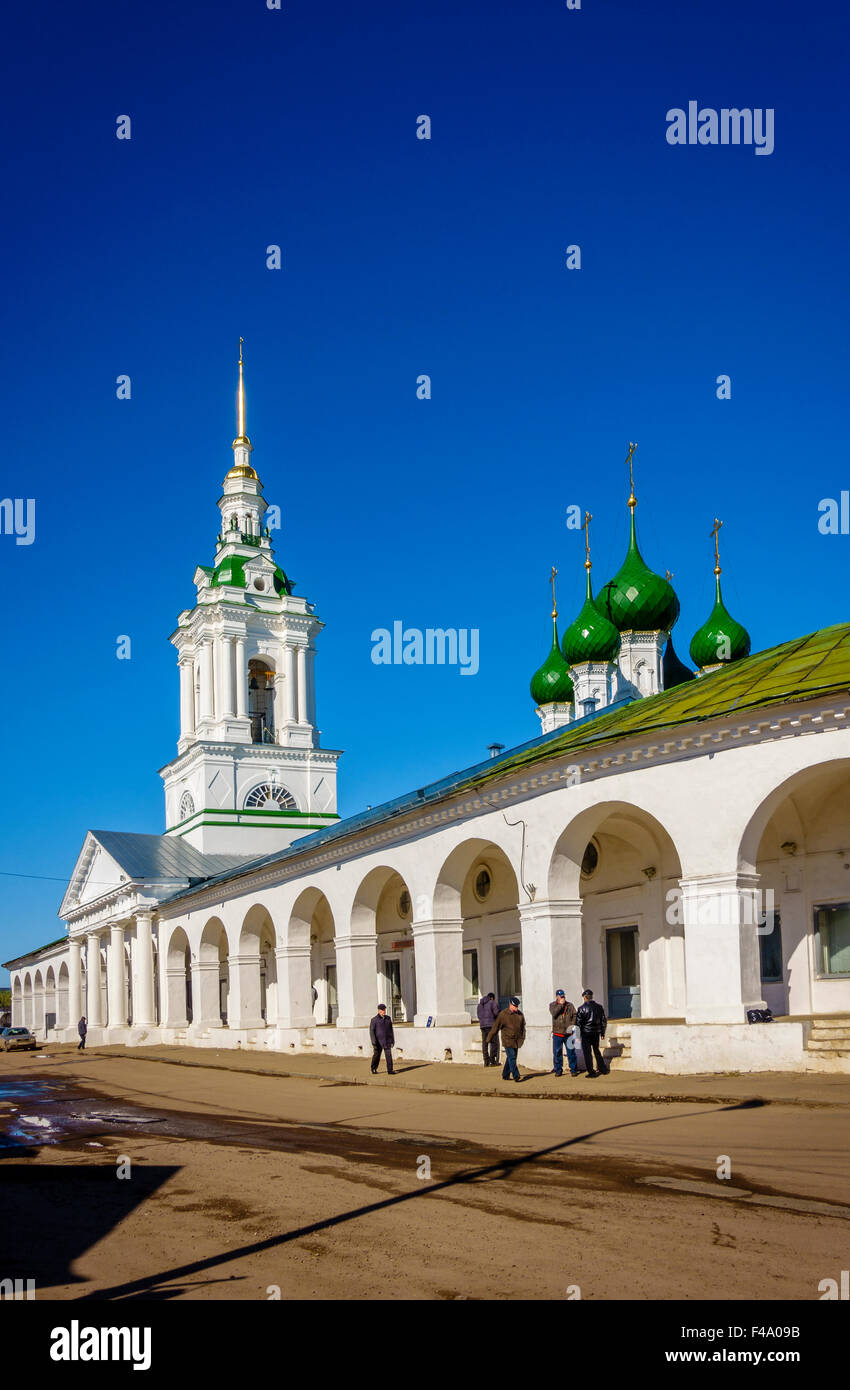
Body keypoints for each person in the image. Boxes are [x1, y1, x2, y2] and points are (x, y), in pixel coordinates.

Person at [487, 997, 526, 1082]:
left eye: (517, 1006)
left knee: (511, 1058)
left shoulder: (520, 1014)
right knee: (512, 1057)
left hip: (516, 1040)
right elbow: (496, 1027)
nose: (516, 1008)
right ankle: (516, 1075)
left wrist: (522, 1037)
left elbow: (523, 1027)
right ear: (510, 1005)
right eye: (514, 1006)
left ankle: (505, 1074)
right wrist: (489, 1038)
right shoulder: (503, 1014)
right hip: (507, 1040)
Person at [576, 989, 608, 1077]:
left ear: (585, 997)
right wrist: (602, 1033)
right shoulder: (599, 1007)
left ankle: (591, 1072)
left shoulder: (581, 1008)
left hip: (586, 1034)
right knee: (596, 1050)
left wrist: (577, 1036)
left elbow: (578, 1024)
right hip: (595, 1033)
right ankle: (603, 1069)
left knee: (587, 1053)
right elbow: (603, 1021)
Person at [549, 989, 578, 1077]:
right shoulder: (552, 1005)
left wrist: (572, 1025)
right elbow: (554, 1014)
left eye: (563, 996)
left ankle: (573, 1069)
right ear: (557, 997)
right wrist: (560, 1005)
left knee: (571, 1052)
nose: (563, 998)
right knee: (557, 1052)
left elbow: (575, 1015)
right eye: (561, 996)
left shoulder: (570, 1005)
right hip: (557, 1033)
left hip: (568, 1033)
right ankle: (558, 1070)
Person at [369, 1003, 395, 1075]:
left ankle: (390, 1070)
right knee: (376, 1056)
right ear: (379, 1011)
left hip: (387, 1040)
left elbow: (391, 1030)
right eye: (382, 1010)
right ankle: (373, 1068)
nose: (384, 1011)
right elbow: (372, 1031)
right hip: (378, 1042)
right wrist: (374, 1042)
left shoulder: (388, 1018)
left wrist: (392, 1040)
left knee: (389, 1056)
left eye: (384, 1010)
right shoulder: (374, 1020)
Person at [477, 991, 500, 1066]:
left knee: (485, 1043)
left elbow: (479, 1016)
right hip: (491, 1025)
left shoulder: (480, 1005)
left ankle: (486, 1062)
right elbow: (496, 1013)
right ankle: (492, 1061)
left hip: (482, 1026)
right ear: (492, 998)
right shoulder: (492, 1002)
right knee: (493, 1042)